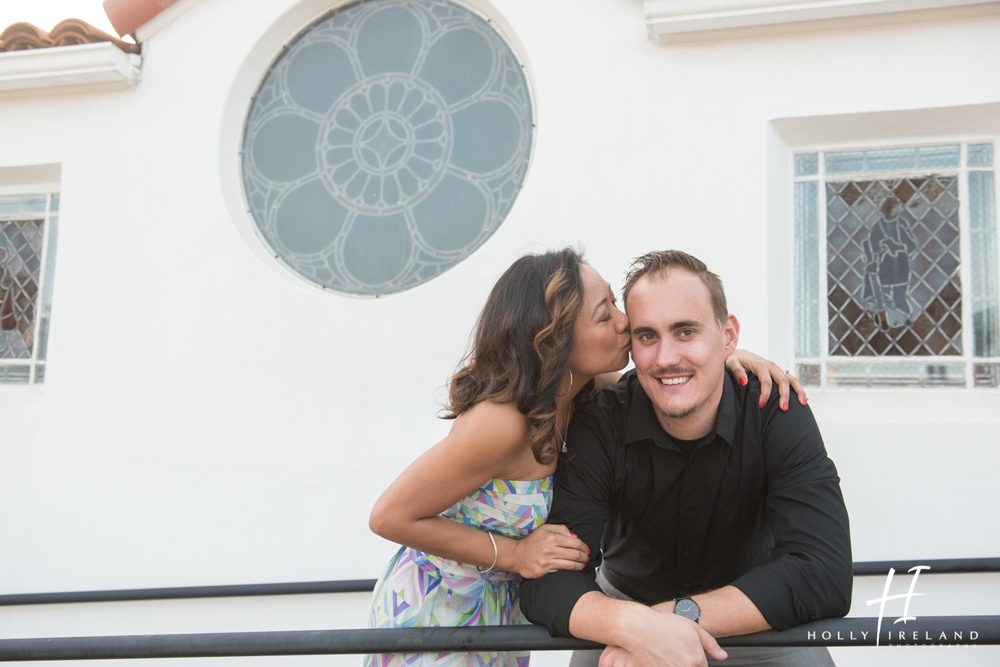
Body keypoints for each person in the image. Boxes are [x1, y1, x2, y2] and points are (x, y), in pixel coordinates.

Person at [366, 248, 807, 667]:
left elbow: (668, 372)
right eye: (605, 315)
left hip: (496, 603)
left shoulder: (582, 394)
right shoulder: (501, 422)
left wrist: (728, 357)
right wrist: (516, 555)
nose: (625, 322)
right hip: (438, 605)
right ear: (558, 340)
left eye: (616, 304)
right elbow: (389, 517)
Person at [520, 249, 852, 667]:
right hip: (625, 616)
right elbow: (549, 579)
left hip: (754, 618)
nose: (666, 358)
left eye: (686, 332)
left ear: (728, 336)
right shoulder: (601, 421)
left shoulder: (776, 409)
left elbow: (824, 572)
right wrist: (632, 626)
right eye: (647, 336)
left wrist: (670, 620)